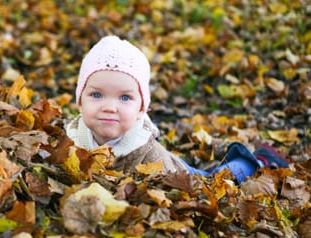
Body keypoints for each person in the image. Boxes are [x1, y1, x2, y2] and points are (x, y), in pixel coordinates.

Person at [65, 35, 288, 183]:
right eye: (96, 95)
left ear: (142, 108)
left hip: (181, 176)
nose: (109, 107)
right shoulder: (71, 137)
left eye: (125, 97)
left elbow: (177, 193)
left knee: (215, 180)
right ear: (80, 101)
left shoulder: (149, 155)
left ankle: (257, 162)